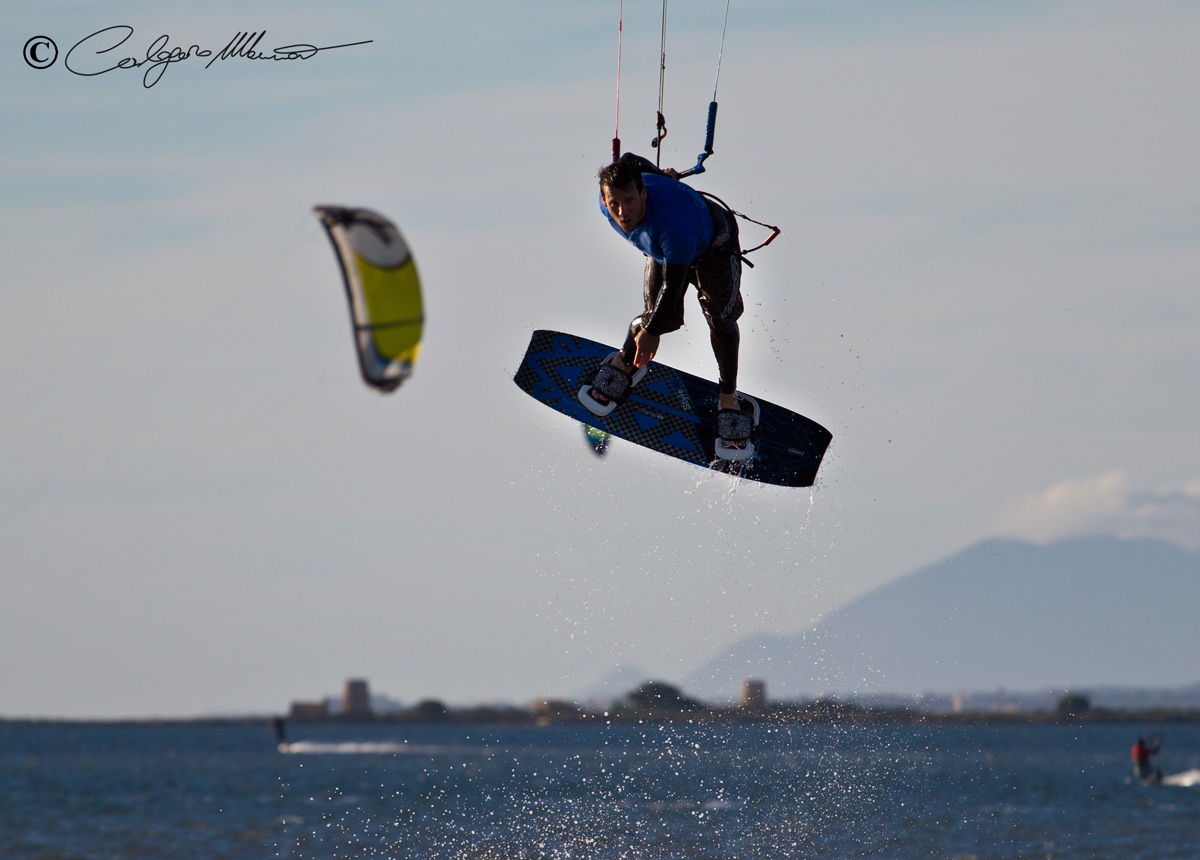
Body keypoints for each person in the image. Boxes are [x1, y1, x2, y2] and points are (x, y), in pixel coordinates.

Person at [582, 152, 757, 460]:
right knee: (657, 318)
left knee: (721, 320)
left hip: (712, 245)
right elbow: (630, 158)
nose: (622, 212)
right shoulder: (608, 204)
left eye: (629, 201)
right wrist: (659, 174)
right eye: (614, 204)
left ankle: (728, 397)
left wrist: (651, 333)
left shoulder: (674, 225)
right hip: (665, 248)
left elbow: (673, 285)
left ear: (643, 193)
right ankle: (625, 362)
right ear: (603, 198)